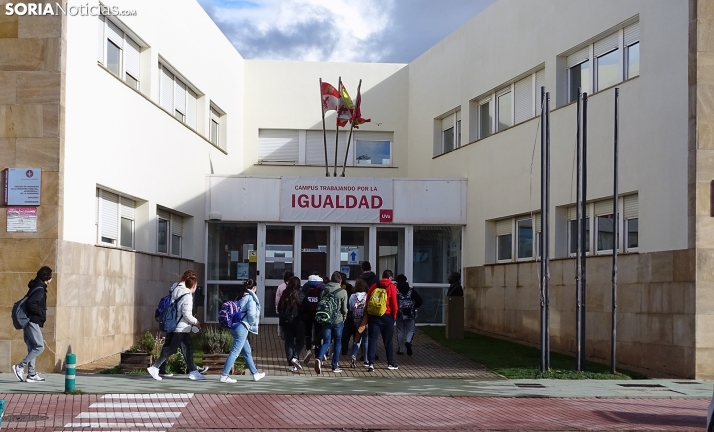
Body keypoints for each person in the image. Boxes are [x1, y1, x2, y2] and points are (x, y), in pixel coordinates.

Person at [148, 274, 206, 381]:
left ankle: (193, 372)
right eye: (196, 285)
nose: (196, 287)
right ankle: (155, 367)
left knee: (188, 347)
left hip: (179, 325)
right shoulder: (187, 296)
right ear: (193, 285)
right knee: (172, 348)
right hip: (181, 327)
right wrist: (196, 322)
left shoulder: (177, 290)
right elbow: (187, 314)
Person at [218, 279, 265, 383]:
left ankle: (255, 374)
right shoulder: (250, 298)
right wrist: (252, 323)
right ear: (254, 288)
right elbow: (252, 314)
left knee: (247, 352)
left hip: (234, 326)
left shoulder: (240, 296)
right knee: (235, 351)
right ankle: (224, 375)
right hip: (242, 327)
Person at [13, 266, 52, 382]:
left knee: (32, 347)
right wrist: (41, 313)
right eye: (51, 277)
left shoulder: (35, 286)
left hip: (28, 320)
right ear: (47, 278)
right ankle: (20, 367)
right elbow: (31, 304)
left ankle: (31, 374)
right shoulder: (40, 289)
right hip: (32, 321)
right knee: (40, 346)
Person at [314, 271, 348, 374]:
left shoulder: (325, 289)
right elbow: (344, 309)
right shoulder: (343, 292)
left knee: (326, 341)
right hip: (338, 320)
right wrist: (344, 318)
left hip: (326, 319)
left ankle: (319, 358)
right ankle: (334, 365)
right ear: (340, 281)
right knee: (337, 342)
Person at [365, 269, 399, 372]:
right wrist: (394, 316)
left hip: (374, 316)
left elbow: (368, 300)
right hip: (387, 316)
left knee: (372, 339)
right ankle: (390, 363)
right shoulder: (391, 287)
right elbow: (394, 304)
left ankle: (371, 363)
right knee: (388, 340)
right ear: (390, 277)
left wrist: (368, 313)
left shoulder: (374, 286)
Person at [278, 276, 305, 372]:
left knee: (289, 343)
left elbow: (279, 308)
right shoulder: (301, 293)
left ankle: (290, 365)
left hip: (286, 322)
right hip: (298, 321)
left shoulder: (285, 293)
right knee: (300, 341)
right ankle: (295, 356)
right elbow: (304, 308)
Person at [394, 274, 423, 356]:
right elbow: (420, 300)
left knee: (400, 331)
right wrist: (414, 307)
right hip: (410, 313)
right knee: (410, 330)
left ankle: (401, 349)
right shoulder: (411, 290)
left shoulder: (396, 291)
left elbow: (394, 302)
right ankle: (408, 342)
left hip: (400, 313)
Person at [301, 272, 325, 362]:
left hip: (307, 313)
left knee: (308, 332)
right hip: (318, 312)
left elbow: (302, 299)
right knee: (318, 332)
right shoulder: (322, 287)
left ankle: (308, 350)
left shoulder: (306, 286)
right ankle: (318, 354)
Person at [348, 278, 369, 368]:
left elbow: (350, 308)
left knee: (357, 339)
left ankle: (353, 355)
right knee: (365, 340)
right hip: (365, 320)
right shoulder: (367, 296)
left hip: (355, 320)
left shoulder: (353, 296)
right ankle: (366, 359)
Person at [275, 270, 294, 340]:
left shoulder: (281, 286)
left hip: (283, 309)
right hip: (292, 310)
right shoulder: (294, 286)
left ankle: (282, 335)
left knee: (282, 323)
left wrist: (277, 309)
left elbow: (277, 299)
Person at [339, 272, 354, 355]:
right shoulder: (349, 286)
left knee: (344, 333)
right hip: (347, 311)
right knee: (346, 332)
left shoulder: (339, 287)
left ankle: (343, 349)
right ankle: (345, 349)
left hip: (340, 310)